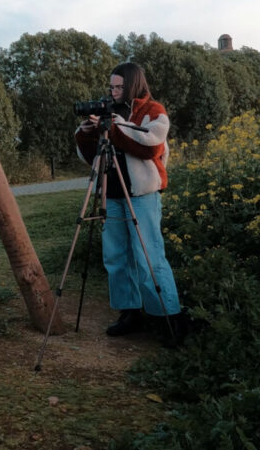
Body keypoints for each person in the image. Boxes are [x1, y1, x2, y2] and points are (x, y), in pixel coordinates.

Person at [74, 62, 184, 343]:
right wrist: (88, 131)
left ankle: (168, 317)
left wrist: (114, 127)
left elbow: (151, 145)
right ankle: (130, 312)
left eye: (119, 87)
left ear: (133, 84)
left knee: (149, 256)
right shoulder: (106, 111)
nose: (113, 91)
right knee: (116, 257)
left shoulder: (153, 111)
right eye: (111, 86)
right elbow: (88, 156)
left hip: (143, 195)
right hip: (111, 193)